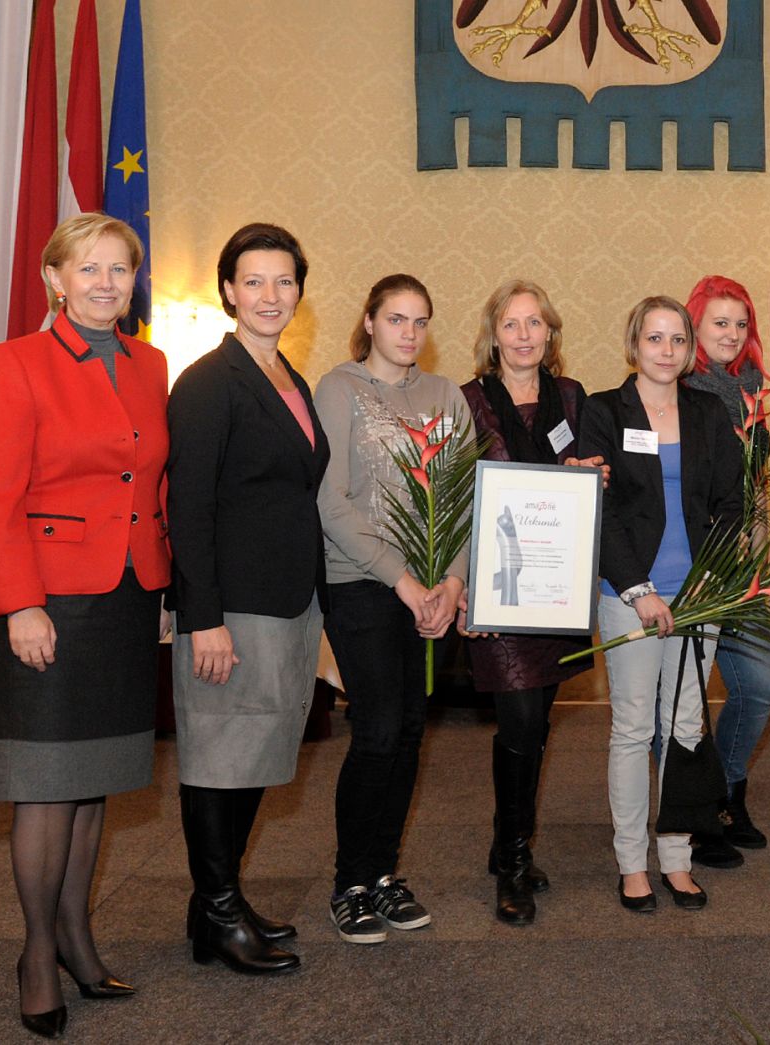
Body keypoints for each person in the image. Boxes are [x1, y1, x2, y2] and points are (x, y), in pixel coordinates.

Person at [0, 213, 168, 1038]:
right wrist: (19, 602)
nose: (105, 283)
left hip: (126, 595)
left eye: (119, 269)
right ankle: (35, 952)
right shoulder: (14, 362)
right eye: (88, 269)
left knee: (94, 784)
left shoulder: (151, 363)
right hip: (48, 601)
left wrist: (165, 585)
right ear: (55, 278)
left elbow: (148, 480)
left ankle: (80, 935)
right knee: (45, 787)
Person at [167, 223, 329, 973]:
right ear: (228, 289)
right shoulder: (207, 382)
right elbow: (188, 509)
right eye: (255, 281)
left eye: (284, 281)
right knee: (217, 756)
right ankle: (221, 911)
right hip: (231, 609)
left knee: (256, 752)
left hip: (287, 602)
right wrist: (203, 619)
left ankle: (216, 906)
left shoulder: (287, 377)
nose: (272, 295)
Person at [313, 274, 466, 943]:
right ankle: (350, 880)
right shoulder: (338, 388)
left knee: (409, 729)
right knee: (375, 727)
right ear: (369, 320)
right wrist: (401, 579)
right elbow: (328, 500)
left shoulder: (444, 394)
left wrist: (453, 585)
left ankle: (382, 873)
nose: (409, 333)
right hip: (360, 584)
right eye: (396, 318)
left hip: (430, 591)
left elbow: (463, 498)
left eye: (420, 321)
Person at [580, 295, 744, 912]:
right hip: (630, 596)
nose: (667, 351)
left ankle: (676, 859)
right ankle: (631, 863)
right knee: (632, 728)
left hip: (700, 595)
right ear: (634, 344)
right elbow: (604, 510)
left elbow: (732, 504)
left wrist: (711, 581)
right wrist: (638, 589)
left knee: (685, 727)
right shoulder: (604, 410)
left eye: (677, 340)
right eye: (655, 339)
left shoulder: (707, 411)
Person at [457, 278, 603, 925]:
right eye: (511, 324)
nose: (523, 335)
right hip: (500, 589)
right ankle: (513, 860)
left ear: (551, 333)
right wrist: (460, 584)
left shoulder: (571, 397)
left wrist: (591, 475)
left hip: (556, 585)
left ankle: (505, 841)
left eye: (535, 323)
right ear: (493, 336)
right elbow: (452, 498)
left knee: (535, 723)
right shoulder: (466, 402)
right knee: (518, 723)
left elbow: (591, 471)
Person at [682, 274, 770, 869]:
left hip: (742, 569)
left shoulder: (749, 392)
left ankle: (727, 789)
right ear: (695, 326)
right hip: (692, 570)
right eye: (720, 322)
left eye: (741, 323)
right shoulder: (680, 389)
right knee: (686, 701)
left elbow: (758, 482)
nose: (732, 333)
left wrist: (763, 535)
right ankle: (697, 811)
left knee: (758, 684)